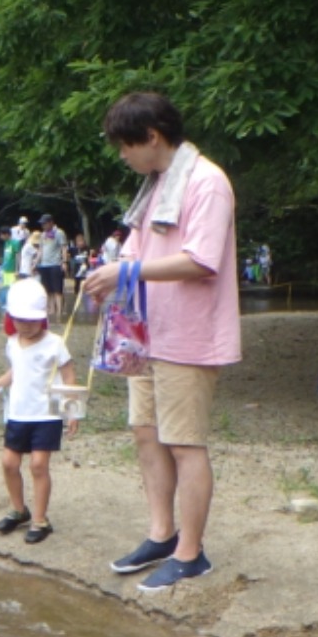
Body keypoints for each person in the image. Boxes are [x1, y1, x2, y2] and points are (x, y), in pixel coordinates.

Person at [84, 91, 240, 593]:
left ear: (151, 137)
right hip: (148, 333)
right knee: (146, 433)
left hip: (190, 334)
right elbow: (136, 248)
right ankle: (161, 534)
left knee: (185, 443)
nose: (122, 155)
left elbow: (200, 260)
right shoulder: (155, 186)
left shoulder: (206, 182)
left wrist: (125, 270)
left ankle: (191, 554)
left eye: (125, 145)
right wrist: (110, 277)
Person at [0, 278, 76, 545]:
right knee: (9, 463)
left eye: (32, 320)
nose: (26, 325)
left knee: (38, 465)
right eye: (20, 320)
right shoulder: (12, 342)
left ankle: (40, 519)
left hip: (46, 414)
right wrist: (0, 382)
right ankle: (18, 509)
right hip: (18, 413)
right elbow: (17, 370)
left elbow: (69, 374)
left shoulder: (55, 343)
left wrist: (72, 411)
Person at [35, 215, 68, 322]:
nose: (43, 226)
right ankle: (51, 310)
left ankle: (59, 312)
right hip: (44, 265)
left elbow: (63, 248)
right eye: (42, 224)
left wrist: (64, 262)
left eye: (45, 223)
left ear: (51, 222)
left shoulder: (59, 233)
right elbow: (40, 250)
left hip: (55, 264)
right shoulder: (43, 235)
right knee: (47, 290)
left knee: (57, 290)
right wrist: (35, 262)